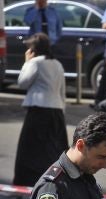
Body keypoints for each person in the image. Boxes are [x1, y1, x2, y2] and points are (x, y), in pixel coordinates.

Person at [14, 33, 67, 187]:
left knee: (29, 150)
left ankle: (24, 183)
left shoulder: (35, 62)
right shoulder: (57, 63)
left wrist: (26, 63)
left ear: (33, 49)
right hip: (56, 111)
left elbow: (22, 83)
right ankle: (56, 182)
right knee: (54, 150)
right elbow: (62, 90)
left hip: (38, 110)